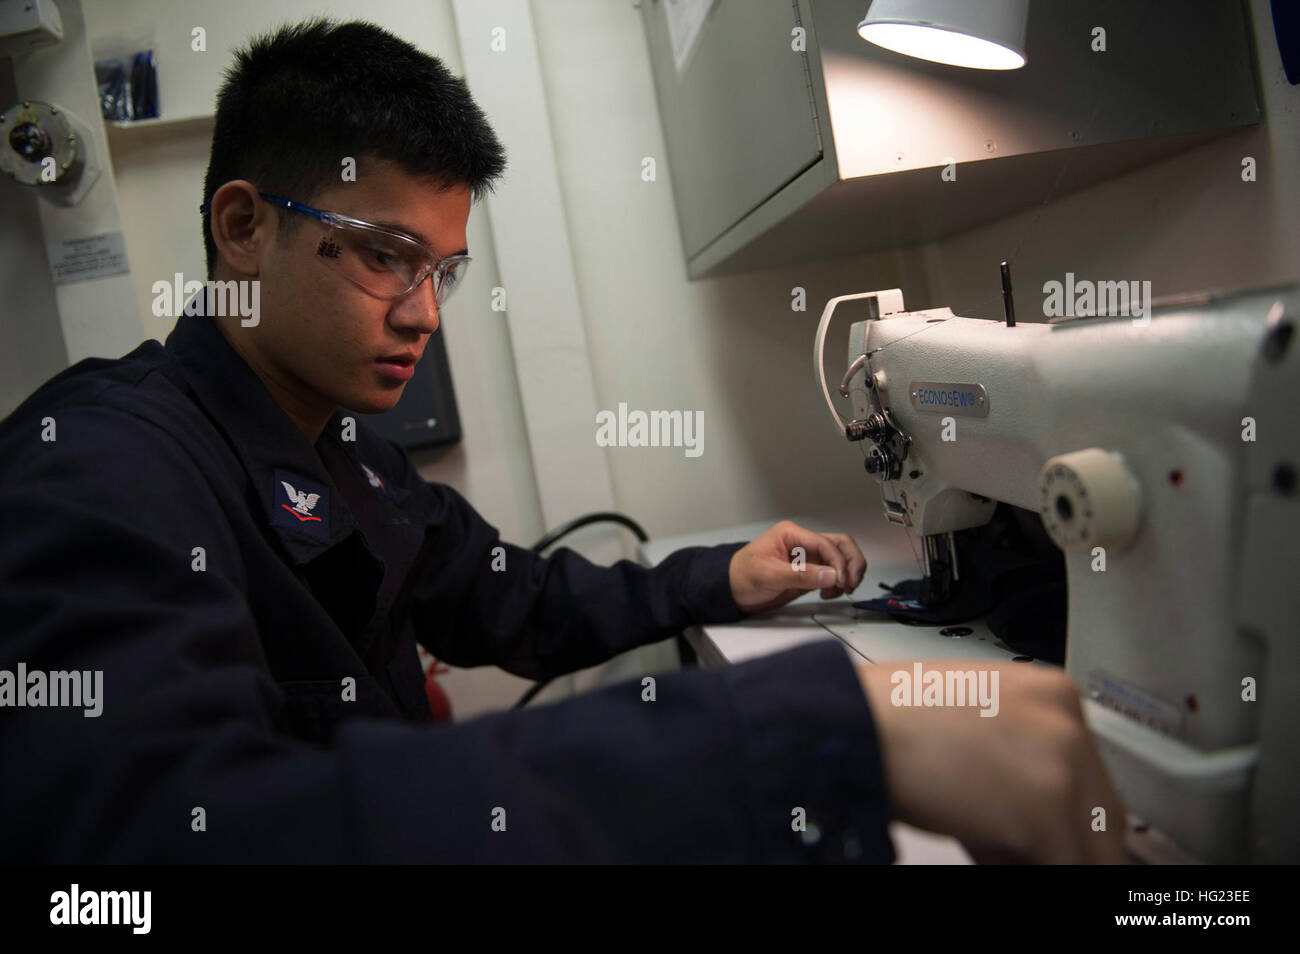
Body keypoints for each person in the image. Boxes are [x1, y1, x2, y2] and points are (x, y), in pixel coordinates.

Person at [0, 18, 1126, 864]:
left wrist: (716, 579)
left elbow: (520, 602)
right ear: (242, 228)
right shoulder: (97, 469)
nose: (425, 312)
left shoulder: (352, 463)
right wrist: (812, 734)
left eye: (442, 269)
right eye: (386, 254)